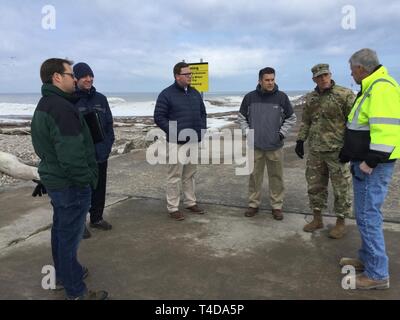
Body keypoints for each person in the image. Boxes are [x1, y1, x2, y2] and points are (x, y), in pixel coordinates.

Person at [31, 58, 108, 300]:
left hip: (57, 182)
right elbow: (72, 155)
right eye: (70, 74)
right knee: (68, 237)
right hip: (70, 185)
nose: (74, 78)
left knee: (61, 231)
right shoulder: (61, 108)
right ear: (56, 77)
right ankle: (76, 292)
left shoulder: (47, 103)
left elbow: (42, 146)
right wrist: (87, 179)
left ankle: (66, 274)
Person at [339, 48, 400, 289]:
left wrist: (370, 161)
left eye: (352, 69)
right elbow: (361, 125)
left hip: (373, 165)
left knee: (368, 216)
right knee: (364, 213)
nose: (351, 74)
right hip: (364, 161)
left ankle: (377, 275)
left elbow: (386, 130)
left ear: (361, 69)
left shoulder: (382, 88)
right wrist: (349, 152)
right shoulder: (372, 86)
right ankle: (366, 258)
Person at [295, 63, 354, 239]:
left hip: (337, 151)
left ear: (330, 74)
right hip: (315, 150)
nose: (323, 79)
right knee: (315, 186)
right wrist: (300, 140)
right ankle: (317, 218)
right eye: (319, 77)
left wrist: (350, 147)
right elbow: (306, 120)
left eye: (325, 75)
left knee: (341, 188)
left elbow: (354, 123)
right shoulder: (311, 98)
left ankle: (341, 222)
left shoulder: (344, 95)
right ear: (314, 79)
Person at [238, 67, 297, 220]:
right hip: (255, 146)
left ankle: (277, 206)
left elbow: (291, 118)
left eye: (272, 79)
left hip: (274, 146)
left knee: (276, 177)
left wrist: (281, 134)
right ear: (260, 81)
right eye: (267, 80)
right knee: (254, 176)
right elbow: (241, 117)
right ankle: (253, 204)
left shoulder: (282, 97)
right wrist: (247, 133)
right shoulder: (249, 98)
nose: (270, 82)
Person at [154, 62, 207, 221]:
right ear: (177, 76)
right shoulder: (166, 94)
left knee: (190, 174)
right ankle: (173, 207)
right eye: (187, 74)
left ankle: (190, 202)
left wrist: (201, 130)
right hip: (176, 142)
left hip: (193, 140)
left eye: (190, 73)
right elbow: (159, 117)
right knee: (174, 175)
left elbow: (203, 113)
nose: (190, 76)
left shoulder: (195, 93)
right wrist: (174, 132)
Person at [73, 62, 115, 239]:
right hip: (82, 157)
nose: (89, 79)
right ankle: (79, 224)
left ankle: (96, 218)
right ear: (75, 79)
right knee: (81, 191)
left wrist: (106, 147)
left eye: (91, 76)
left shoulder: (101, 99)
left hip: (100, 154)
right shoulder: (70, 100)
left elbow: (109, 125)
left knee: (99, 189)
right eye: (84, 76)